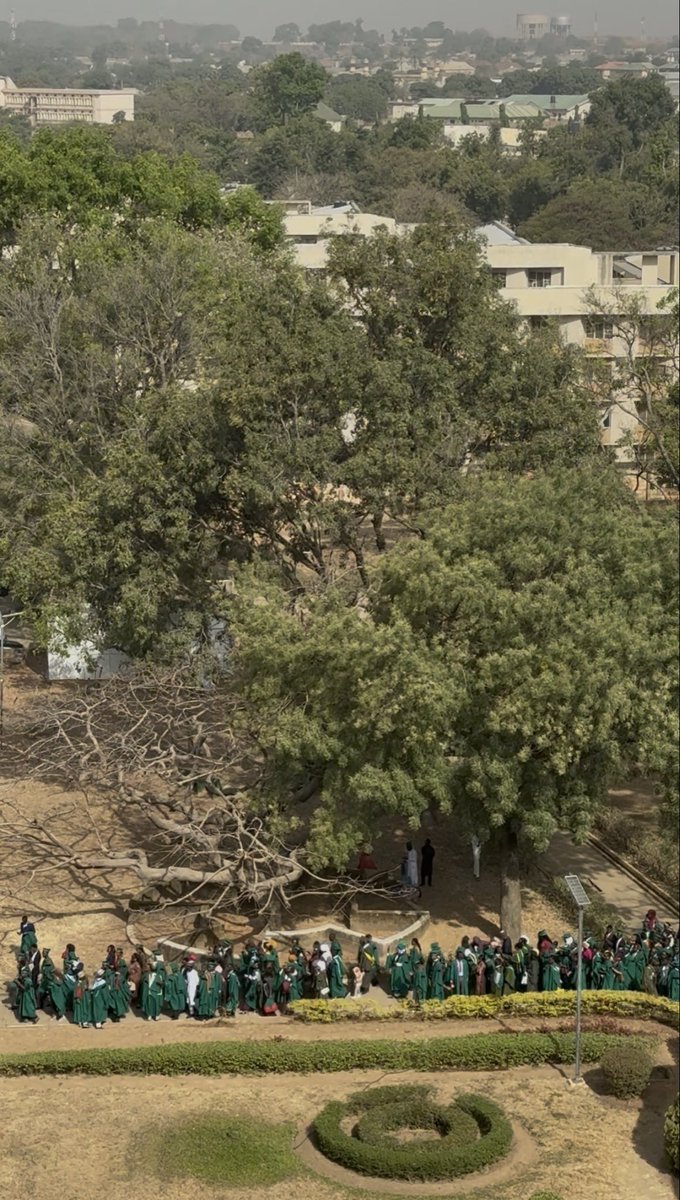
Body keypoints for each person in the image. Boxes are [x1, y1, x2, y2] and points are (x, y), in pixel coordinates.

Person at [40, 950, 66, 1021]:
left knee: (57, 999)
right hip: (49, 984)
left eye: (44, 953)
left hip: (53, 984)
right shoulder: (45, 961)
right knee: (51, 1000)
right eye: (43, 953)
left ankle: (61, 1014)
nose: (43, 954)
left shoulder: (48, 963)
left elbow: (50, 974)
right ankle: (54, 1013)